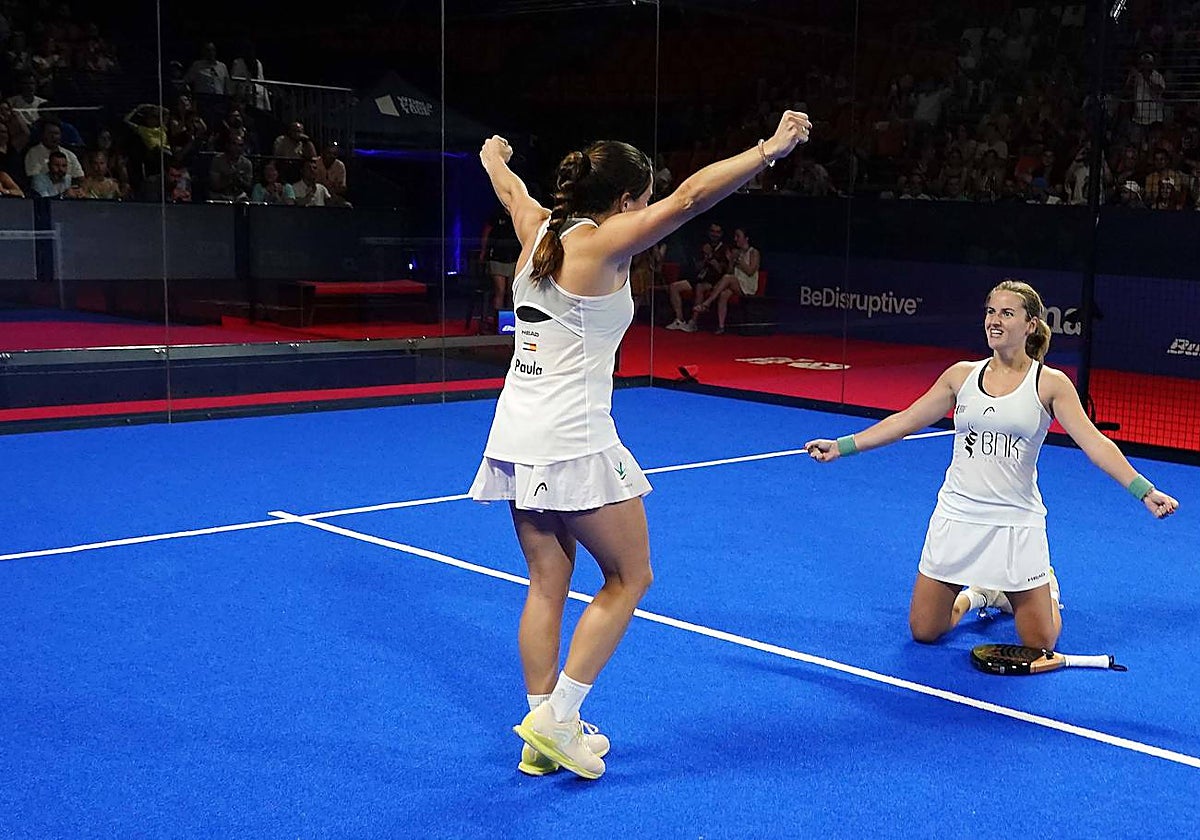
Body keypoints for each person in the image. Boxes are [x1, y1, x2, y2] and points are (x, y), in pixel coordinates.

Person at [469, 111, 811, 780]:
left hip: (515, 431)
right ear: (626, 200)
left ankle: (541, 733)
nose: (651, 206)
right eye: (643, 196)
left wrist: (492, 156)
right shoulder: (605, 244)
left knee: (547, 580)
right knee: (630, 576)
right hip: (572, 437)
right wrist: (769, 149)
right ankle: (558, 719)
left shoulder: (537, 227)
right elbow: (691, 198)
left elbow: (509, 189)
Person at [804, 279, 1178, 652]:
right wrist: (842, 446)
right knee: (924, 630)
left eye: (1007, 313)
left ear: (1030, 324)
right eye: (990, 311)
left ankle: (1046, 584)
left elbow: (1095, 444)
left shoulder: (1050, 383)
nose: (994, 320)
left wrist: (1143, 490)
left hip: (1015, 521)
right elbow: (905, 420)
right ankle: (980, 596)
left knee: (1039, 642)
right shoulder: (961, 375)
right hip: (957, 514)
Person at [687, 226, 760, 334]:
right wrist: (731, 261)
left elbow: (750, 271)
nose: (735, 239)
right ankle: (721, 326)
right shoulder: (736, 252)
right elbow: (730, 271)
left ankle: (707, 303)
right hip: (736, 282)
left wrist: (738, 260)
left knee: (727, 278)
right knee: (724, 294)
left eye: (738, 236)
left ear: (746, 238)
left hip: (748, 285)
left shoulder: (754, 252)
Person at [478, 205, 521, 319]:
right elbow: (486, 233)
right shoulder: (496, 215)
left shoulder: (519, 215)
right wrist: (483, 251)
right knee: (500, 291)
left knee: (513, 291)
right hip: (497, 258)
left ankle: (512, 321)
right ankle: (497, 321)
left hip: (515, 259)